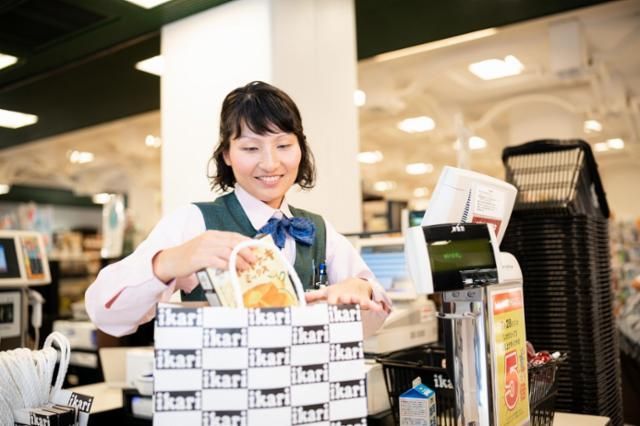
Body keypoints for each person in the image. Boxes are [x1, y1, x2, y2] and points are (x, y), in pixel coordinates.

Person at [85, 81, 391, 338]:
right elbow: (105, 314)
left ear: (301, 148)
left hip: (306, 387)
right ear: (227, 155)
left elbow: (375, 318)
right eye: (250, 148)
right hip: (221, 389)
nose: (270, 163)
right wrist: (167, 263)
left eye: (283, 145)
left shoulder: (319, 229)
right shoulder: (194, 221)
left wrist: (359, 290)